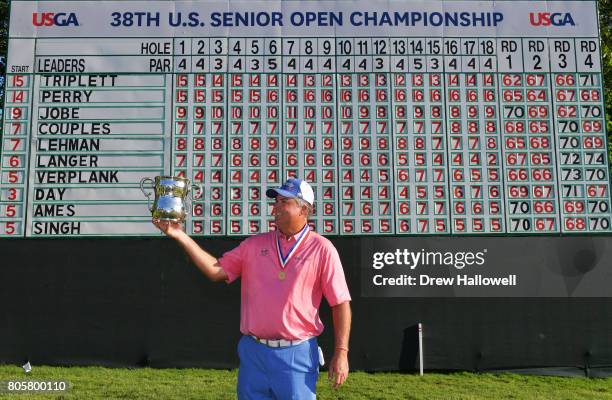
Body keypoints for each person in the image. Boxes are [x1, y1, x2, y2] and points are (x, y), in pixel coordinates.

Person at [153, 178, 352, 399]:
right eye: (275, 201)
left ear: (303, 209)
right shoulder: (254, 245)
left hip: (297, 353)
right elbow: (216, 270)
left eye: (283, 202)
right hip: (254, 352)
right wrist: (179, 235)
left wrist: (341, 353)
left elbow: (340, 304)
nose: (275, 207)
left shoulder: (323, 249)